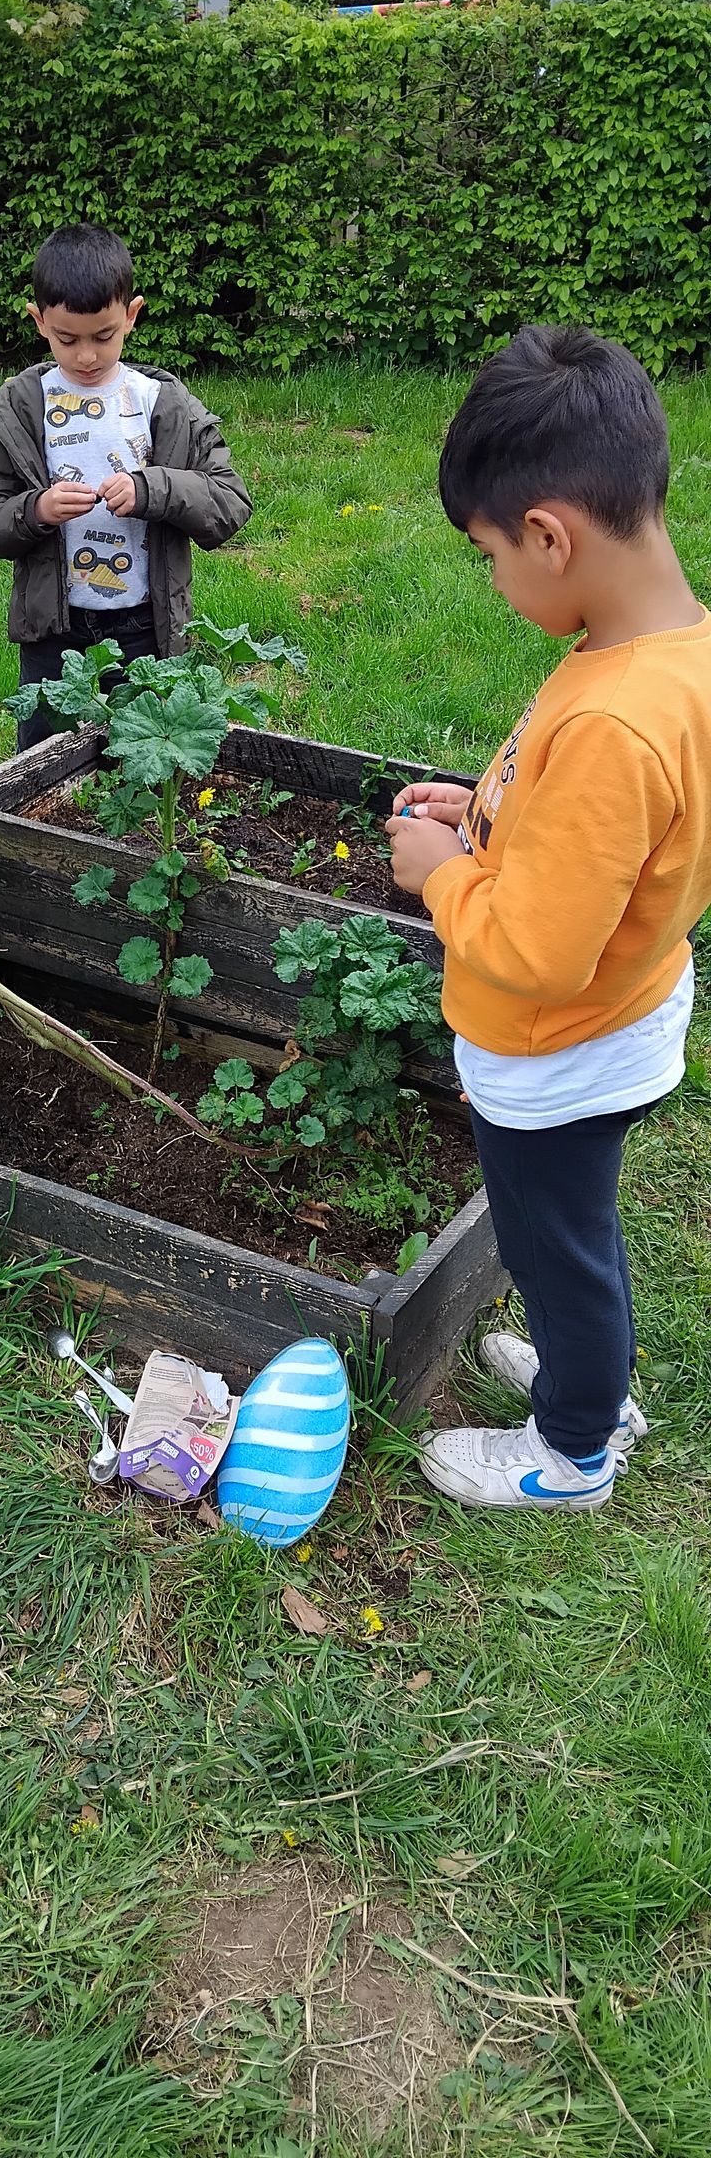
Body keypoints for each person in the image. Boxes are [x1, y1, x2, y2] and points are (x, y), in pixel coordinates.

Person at [387, 324, 711, 1512]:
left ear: (548, 534)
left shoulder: (613, 724)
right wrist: (477, 811)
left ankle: (573, 1449)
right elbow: (606, 845)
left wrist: (438, 875)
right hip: (619, 1020)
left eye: (488, 554)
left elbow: (536, 948)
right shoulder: (672, 657)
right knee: (575, 1238)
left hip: (557, 1047)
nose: (495, 579)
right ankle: (596, 1379)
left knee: (552, 1251)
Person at [0, 223, 252, 752]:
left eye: (104, 336)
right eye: (67, 339)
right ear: (39, 321)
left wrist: (153, 490)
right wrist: (37, 510)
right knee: (43, 766)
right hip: (55, 628)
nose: (88, 356)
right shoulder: (23, 404)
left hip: (146, 624)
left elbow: (230, 501)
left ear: (132, 316)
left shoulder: (162, 402)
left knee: (141, 757)